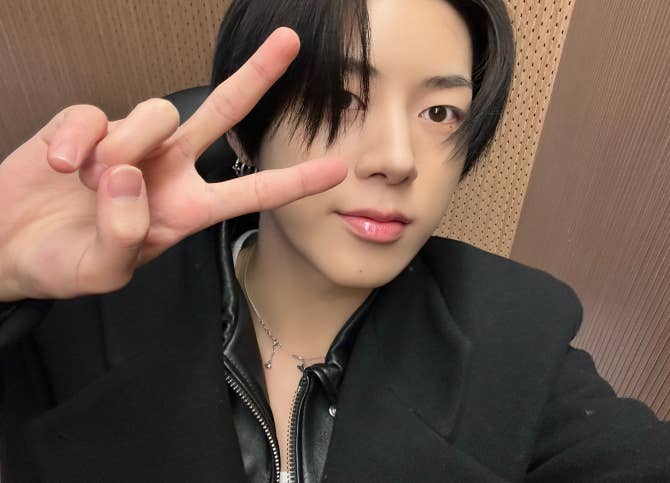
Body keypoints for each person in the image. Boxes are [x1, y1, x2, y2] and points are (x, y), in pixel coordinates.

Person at [0, 0, 668, 481]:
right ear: (245, 131)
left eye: (439, 112)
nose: (398, 160)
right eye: (344, 99)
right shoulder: (72, 313)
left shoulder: (521, 332)